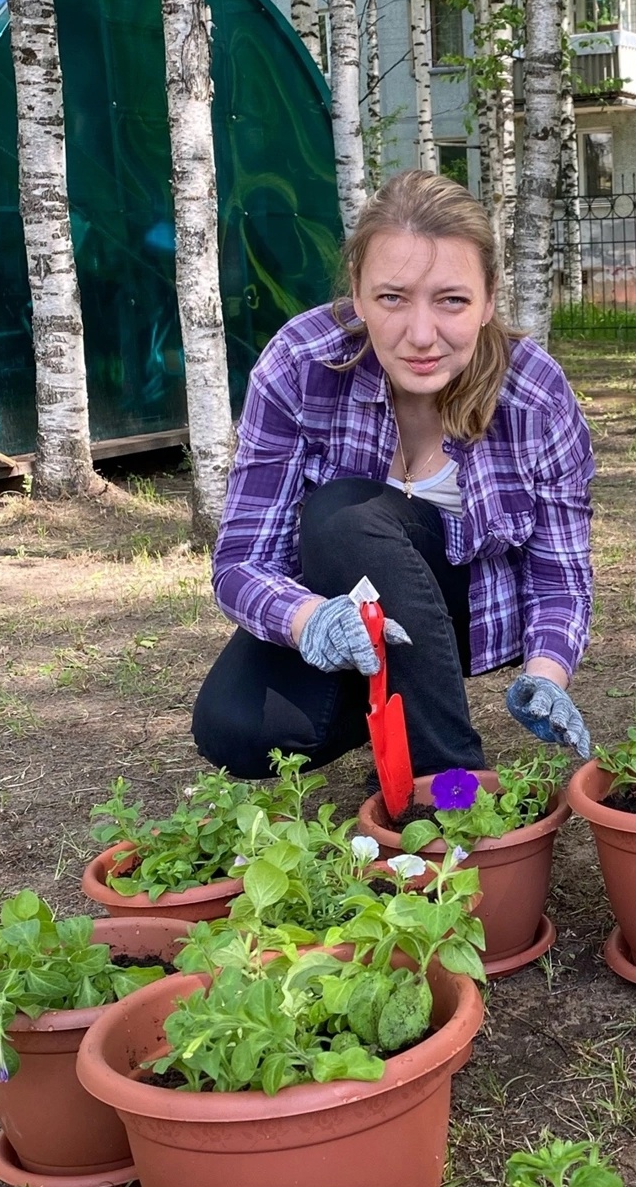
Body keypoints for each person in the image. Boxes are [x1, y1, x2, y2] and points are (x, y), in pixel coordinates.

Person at [193, 170, 595, 783]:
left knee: (344, 514)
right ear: (356, 293)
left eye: (452, 300)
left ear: (488, 301)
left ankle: (451, 780)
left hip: (469, 612)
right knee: (239, 728)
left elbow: (560, 573)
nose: (421, 335)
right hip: (344, 608)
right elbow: (241, 560)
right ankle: (394, 706)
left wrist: (545, 674)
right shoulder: (301, 365)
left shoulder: (535, 395)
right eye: (393, 297)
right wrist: (311, 622)